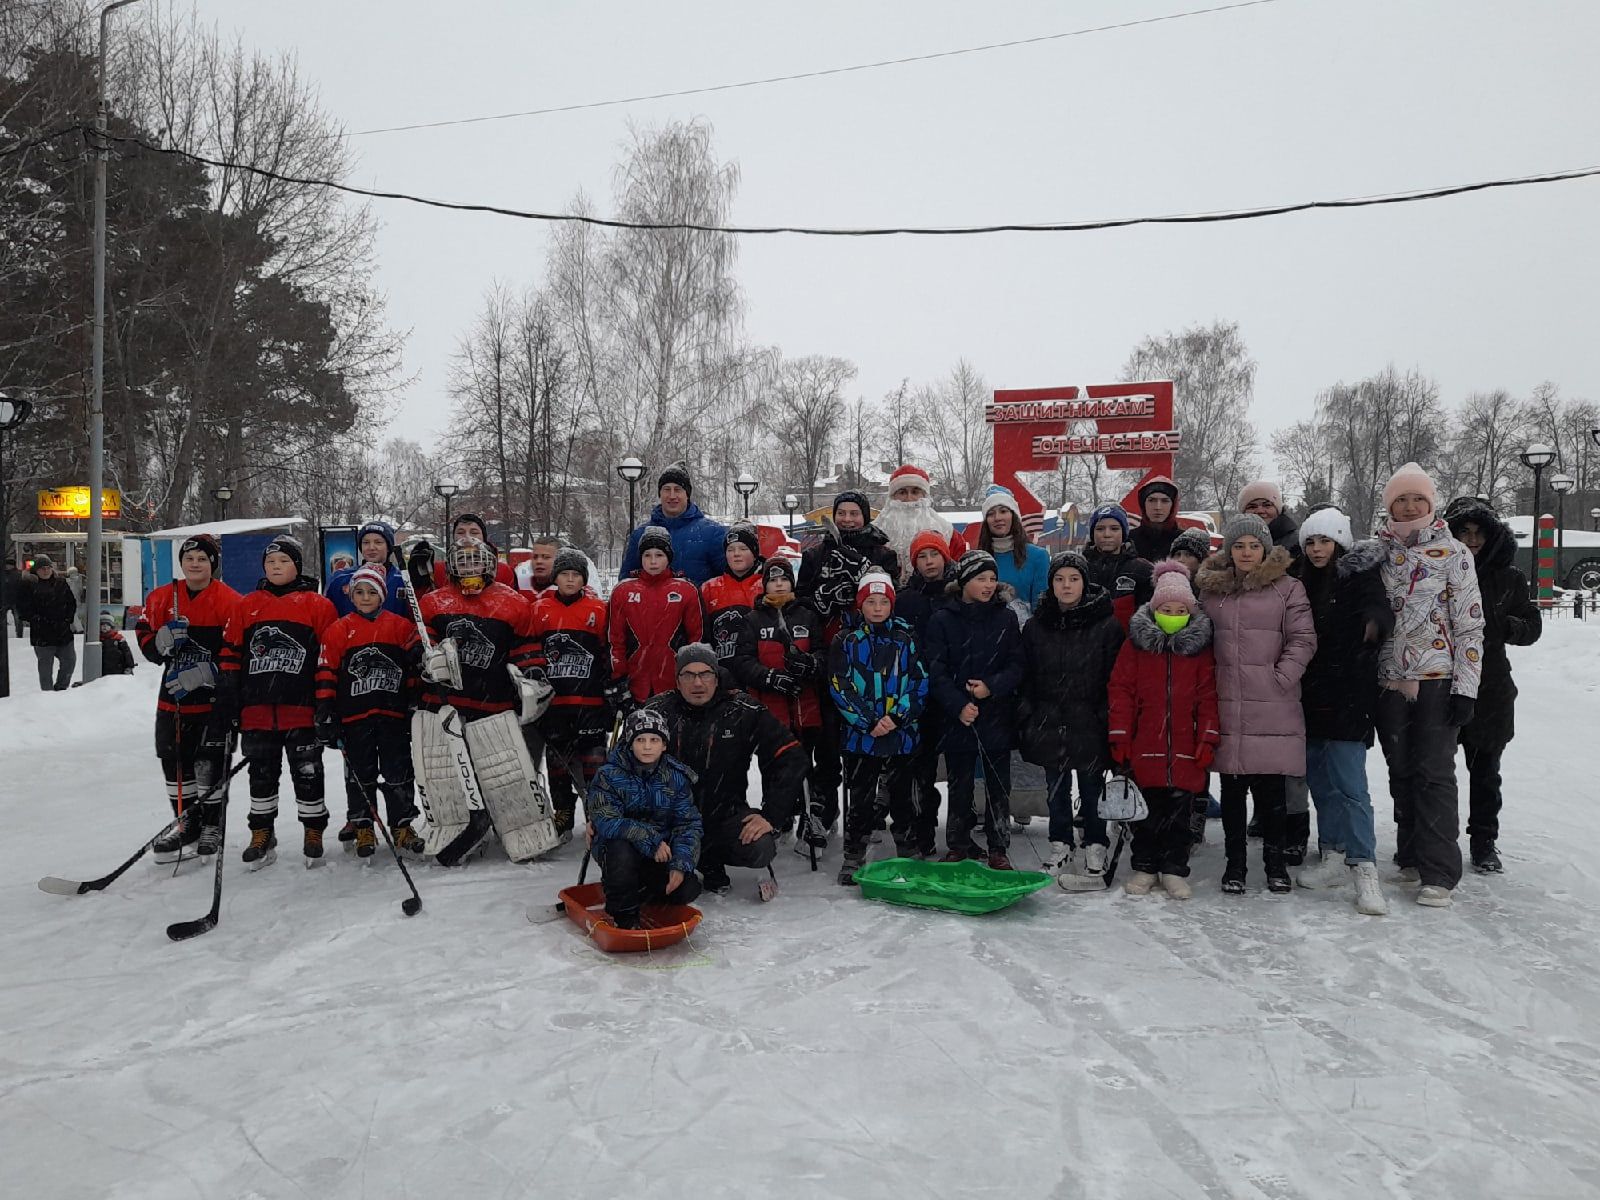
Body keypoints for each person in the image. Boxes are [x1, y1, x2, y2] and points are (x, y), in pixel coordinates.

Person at [1375, 464, 1485, 908]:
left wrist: (1467, 688)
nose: (1410, 506)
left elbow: (1471, 627)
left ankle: (1439, 871)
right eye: (1401, 499)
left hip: (1438, 679)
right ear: (1390, 506)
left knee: (1434, 773)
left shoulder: (1454, 552)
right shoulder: (1376, 553)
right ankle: (1411, 854)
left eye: (1417, 498)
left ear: (1430, 503)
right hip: (1388, 680)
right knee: (1400, 770)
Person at [1195, 514, 1316, 895]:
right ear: (1229, 550)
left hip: (1272, 703)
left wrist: (1281, 676)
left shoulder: (1288, 588)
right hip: (1225, 701)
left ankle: (1276, 864)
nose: (1246, 552)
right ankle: (1235, 865)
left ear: (1265, 548)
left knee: (1272, 794)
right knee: (1232, 791)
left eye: (1253, 545)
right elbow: (1197, 636)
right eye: (1239, 545)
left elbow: (1303, 638)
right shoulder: (1213, 590)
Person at [416, 537, 549, 860]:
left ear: (489, 564)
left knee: (506, 772)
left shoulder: (513, 603)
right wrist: (426, 660)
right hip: (445, 703)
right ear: (452, 566)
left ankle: (524, 827)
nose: (470, 567)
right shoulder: (434, 602)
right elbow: (419, 642)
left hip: (494, 703)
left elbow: (525, 646)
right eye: (463, 561)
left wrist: (532, 674)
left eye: (476, 560)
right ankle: (453, 824)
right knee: (443, 772)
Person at [1287, 508, 1393, 915]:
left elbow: (1380, 609)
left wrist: (1373, 624)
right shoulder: (1299, 580)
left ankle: (1363, 864)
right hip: (1310, 695)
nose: (1316, 549)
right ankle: (1332, 850)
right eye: (1310, 542)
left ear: (1340, 542)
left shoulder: (1359, 576)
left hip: (1350, 694)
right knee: (1320, 781)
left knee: (1352, 787)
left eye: (1324, 541)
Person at [215, 536, 339, 868]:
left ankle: (313, 830)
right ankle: (262, 832)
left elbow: (328, 657)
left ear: (297, 565)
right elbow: (230, 654)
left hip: (301, 708)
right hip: (256, 709)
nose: (276, 567)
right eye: (270, 563)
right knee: (261, 774)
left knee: (308, 773)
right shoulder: (246, 604)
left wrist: (326, 703)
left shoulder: (318, 605)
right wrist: (228, 695)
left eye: (283, 561)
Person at [644, 644, 805, 896]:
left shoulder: (742, 710)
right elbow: (620, 767)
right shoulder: (656, 711)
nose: (698, 683)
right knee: (625, 850)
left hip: (725, 815)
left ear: (716, 677)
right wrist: (604, 814)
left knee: (760, 847)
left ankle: (708, 857)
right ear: (677, 680)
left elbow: (791, 756)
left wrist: (771, 815)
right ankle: (690, 858)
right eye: (688, 675)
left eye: (705, 674)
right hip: (669, 819)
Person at [1108, 562, 1220, 898]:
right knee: (1146, 814)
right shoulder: (1136, 647)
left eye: (1179, 610)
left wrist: (1208, 738)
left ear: (1190, 611)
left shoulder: (1199, 652)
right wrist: (1120, 735)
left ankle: (1174, 868)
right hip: (1145, 745)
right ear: (1155, 611)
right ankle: (1144, 866)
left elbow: (1209, 697)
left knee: (1180, 816)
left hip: (1185, 747)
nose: (1173, 614)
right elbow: (1120, 691)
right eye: (1166, 609)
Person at [1442, 495, 1541, 874]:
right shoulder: (1439, 570)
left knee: (1485, 771)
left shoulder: (1508, 576)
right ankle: (1434, 836)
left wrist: (1505, 627)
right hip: (1442, 680)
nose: (1472, 539)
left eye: (1478, 531)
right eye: (1463, 531)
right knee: (1435, 767)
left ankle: (1484, 840)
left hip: (1491, 687)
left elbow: (1530, 623)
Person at [1019, 551, 1124, 881]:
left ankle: (1095, 842)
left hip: (1089, 720)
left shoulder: (1105, 625)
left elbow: (1115, 677)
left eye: (1073, 579)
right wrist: (1029, 714)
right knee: (1056, 788)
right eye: (1060, 579)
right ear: (1051, 584)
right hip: (1049, 719)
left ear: (1085, 582)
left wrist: (1105, 715)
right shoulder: (1037, 626)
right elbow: (1027, 676)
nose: (1066, 585)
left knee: (1092, 787)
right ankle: (1060, 843)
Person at [135, 534, 241, 860]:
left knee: (209, 764)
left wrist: (212, 673)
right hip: (174, 698)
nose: (195, 564)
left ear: (213, 564)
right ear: (182, 562)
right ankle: (186, 823)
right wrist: (159, 642)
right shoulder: (163, 597)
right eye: (190, 558)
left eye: (202, 559)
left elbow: (239, 648)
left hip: (214, 702)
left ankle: (212, 825)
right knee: (175, 762)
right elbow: (144, 634)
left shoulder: (230, 600)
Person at [314, 565, 424, 858]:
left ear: (382, 595)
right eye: (359, 591)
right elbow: (327, 672)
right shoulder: (338, 630)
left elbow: (415, 665)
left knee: (397, 772)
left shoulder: (399, 626)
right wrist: (326, 710)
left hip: (392, 715)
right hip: (354, 717)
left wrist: (414, 697)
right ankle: (363, 825)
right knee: (359, 775)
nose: (365, 597)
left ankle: (402, 825)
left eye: (372, 592)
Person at [926, 551, 1026, 868]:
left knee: (998, 785)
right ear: (965, 581)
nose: (988, 585)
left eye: (992, 578)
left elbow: (1017, 665)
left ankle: (998, 846)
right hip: (958, 717)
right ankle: (957, 843)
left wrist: (991, 687)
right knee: (960, 783)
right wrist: (958, 705)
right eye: (981, 578)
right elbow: (935, 670)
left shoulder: (1006, 617)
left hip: (996, 714)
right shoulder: (943, 619)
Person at [830, 571, 929, 880]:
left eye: (883, 601)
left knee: (902, 796)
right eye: (870, 602)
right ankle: (854, 854)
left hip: (901, 735)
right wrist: (867, 721)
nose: (876, 608)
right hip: (862, 738)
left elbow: (919, 682)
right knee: (860, 798)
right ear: (861, 605)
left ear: (891, 604)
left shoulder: (906, 637)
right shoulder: (846, 640)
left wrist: (896, 717)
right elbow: (839, 685)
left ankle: (907, 849)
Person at [731, 558, 834, 846]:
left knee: (804, 763)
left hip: (805, 706)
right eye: (772, 579)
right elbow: (742, 661)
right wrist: (769, 677)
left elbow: (823, 654)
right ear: (764, 584)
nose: (778, 584)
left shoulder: (806, 615)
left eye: (784, 579)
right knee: (772, 765)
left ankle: (810, 817)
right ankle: (779, 815)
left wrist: (810, 665)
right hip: (769, 709)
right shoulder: (753, 619)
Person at [587, 707, 704, 927]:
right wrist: (650, 839)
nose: (648, 746)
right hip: (617, 849)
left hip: (659, 852)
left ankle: (642, 891)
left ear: (664, 744)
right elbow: (607, 820)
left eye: (654, 739)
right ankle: (624, 915)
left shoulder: (676, 777)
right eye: (640, 739)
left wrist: (680, 863)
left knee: (688, 887)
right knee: (621, 850)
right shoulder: (609, 775)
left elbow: (687, 824)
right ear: (630, 742)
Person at [532, 548, 614, 840]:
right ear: (556, 578)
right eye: (565, 574)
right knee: (558, 761)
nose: (570, 580)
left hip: (589, 699)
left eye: (575, 575)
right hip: (555, 701)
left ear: (584, 579)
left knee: (595, 760)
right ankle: (563, 811)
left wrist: (611, 684)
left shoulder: (598, 609)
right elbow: (531, 648)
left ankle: (598, 811)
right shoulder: (540, 607)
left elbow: (608, 651)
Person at [893, 531, 954, 856]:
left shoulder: (959, 593)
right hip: (917, 695)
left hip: (953, 692)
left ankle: (960, 835)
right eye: (922, 556)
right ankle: (920, 831)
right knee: (920, 771)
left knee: (959, 769)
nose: (929, 562)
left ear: (945, 556)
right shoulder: (907, 598)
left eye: (934, 554)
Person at [609, 526, 703, 708]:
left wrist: (692, 675)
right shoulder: (623, 590)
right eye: (647, 555)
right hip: (636, 682)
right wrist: (618, 678)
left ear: (668, 557)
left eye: (659, 555)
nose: (653, 561)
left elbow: (697, 638)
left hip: (674, 682)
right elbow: (615, 639)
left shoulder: (686, 590)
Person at [798, 490, 900, 624]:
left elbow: (894, 598)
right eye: (841, 513)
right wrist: (821, 599)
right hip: (824, 635)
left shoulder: (884, 555)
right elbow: (799, 601)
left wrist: (865, 573)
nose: (847, 519)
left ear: (865, 516)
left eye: (854, 514)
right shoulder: (814, 555)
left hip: (869, 635)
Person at [617, 466, 728, 585]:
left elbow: (727, 580)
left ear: (687, 494)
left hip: (696, 603)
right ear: (660, 493)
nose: (672, 495)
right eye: (666, 489)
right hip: (654, 603)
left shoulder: (712, 533)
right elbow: (626, 582)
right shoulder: (641, 534)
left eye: (677, 489)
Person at [875, 464, 968, 584]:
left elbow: (961, 574)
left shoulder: (947, 533)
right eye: (902, 492)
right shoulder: (875, 532)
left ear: (925, 496)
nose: (909, 499)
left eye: (915, 492)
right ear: (893, 497)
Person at [1080, 504, 1155, 630]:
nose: (1107, 534)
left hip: (1127, 644)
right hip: (1086, 645)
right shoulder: (1079, 568)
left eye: (1114, 529)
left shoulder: (1143, 570)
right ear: (1092, 533)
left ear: (1124, 532)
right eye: (1100, 529)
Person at [976, 485, 1050, 609]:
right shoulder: (978, 559)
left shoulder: (1038, 557)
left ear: (1014, 516)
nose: (997, 518)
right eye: (991, 514)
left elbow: (1041, 607)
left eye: (1003, 511)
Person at [701, 523, 765, 665]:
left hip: (759, 669)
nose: (736, 554)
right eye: (730, 550)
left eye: (743, 549)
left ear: (754, 554)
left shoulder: (767, 584)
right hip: (722, 669)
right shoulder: (709, 588)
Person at [412, 514, 518, 593]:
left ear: (484, 538)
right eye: (461, 532)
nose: (467, 537)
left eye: (474, 532)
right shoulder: (439, 571)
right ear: (453, 538)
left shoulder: (503, 571)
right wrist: (419, 585)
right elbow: (422, 614)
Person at [326, 521, 409, 618]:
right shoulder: (340, 578)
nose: (371, 547)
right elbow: (327, 618)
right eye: (366, 542)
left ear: (388, 547)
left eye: (378, 542)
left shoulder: (403, 580)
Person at [17, 555, 76, 690]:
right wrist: (37, 620)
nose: (46, 571)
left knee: (69, 662)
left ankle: (61, 688)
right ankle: (47, 694)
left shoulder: (60, 583)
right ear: (36, 570)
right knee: (45, 668)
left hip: (63, 632)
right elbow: (23, 608)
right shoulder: (28, 585)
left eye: (48, 567)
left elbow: (71, 602)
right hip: (42, 634)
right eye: (42, 568)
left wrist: (68, 619)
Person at [1237, 481, 1302, 558]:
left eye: (1267, 505)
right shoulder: (1233, 542)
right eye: (1252, 507)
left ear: (1278, 510)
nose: (1260, 511)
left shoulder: (1297, 543)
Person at [1130, 476, 1182, 562]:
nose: (1158, 507)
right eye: (1151, 500)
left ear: (1173, 506)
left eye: (1165, 501)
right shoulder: (1129, 540)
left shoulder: (1184, 540)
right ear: (1143, 504)